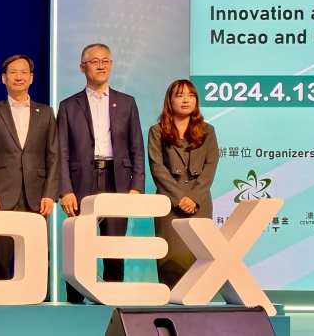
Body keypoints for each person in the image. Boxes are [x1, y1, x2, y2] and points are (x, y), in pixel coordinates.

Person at [57, 43, 145, 303]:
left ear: (112, 66)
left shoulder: (127, 102)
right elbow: (61, 151)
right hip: (81, 181)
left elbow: (136, 147)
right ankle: (75, 303)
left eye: (106, 61)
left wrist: (137, 186)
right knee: (79, 246)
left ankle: (113, 301)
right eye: (94, 61)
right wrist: (65, 190)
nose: (101, 65)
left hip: (117, 179)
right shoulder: (68, 105)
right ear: (82, 67)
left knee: (114, 245)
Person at [0, 54, 58, 280]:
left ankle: (34, 299)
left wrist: (50, 194)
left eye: (24, 72)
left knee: (35, 261)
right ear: (3, 78)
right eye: (13, 72)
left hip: (37, 197)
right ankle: (0, 299)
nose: (18, 77)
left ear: (31, 78)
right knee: (0, 261)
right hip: (1, 196)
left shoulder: (46, 113)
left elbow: (54, 156)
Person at [148, 79, 218, 288]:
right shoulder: (157, 131)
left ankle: (197, 303)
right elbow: (157, 167)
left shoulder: (208, 131)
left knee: (199, 257)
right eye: (179, 95)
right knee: (171, 257)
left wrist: (194, 198)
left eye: (190, 95)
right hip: (169, 203)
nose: (185, 100)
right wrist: (179, 199)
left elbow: (211, 165)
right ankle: (170, 302)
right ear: (169, 101)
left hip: (199, 201)